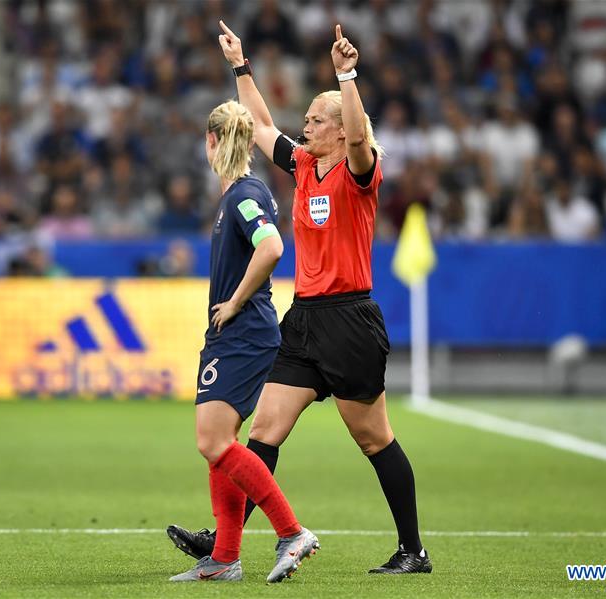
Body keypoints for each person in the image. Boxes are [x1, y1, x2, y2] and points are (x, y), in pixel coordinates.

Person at [167, 22, 432, 575]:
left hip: (351, 319)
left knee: (373, 438)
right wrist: (240, 65)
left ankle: (413, 550)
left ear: (338, 129)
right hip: (305, 319)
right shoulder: (306, 164)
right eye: (307, 118)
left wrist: (346, 75)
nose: (304, 125)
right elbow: (261, 124)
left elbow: (361, 139)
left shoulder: (360, 170)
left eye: (315, 119)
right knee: (262, 431)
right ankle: (226, 542)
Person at [168, 100, 319, 583]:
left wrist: (233, 302)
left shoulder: (242, 195)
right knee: (220, 444)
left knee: (212, 441)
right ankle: (225, 558)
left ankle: (291, 532)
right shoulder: (241, 192)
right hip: (238, 335)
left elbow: (272, 246)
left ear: (211, 141)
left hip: (244, 332)